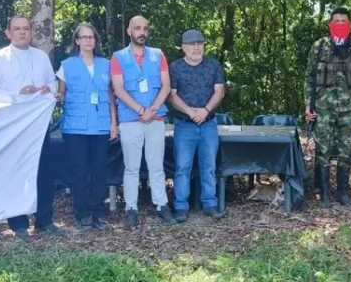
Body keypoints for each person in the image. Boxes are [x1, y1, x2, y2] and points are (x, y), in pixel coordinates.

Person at [0, 16, 62, 239]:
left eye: (26, 29)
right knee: (16, 174)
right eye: (16, 29)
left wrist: (47, 89)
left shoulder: (41, 57)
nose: (22, 33)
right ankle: (18, 223)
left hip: (38, 126)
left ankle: (45, 219)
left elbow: (52, 82)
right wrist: (18, 94)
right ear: (8, 33)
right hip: (14, 128)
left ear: (32, 32)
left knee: (44, 173)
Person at [111, 15, 176, 227]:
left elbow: (166, 86)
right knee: (131, 167)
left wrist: (152, 109)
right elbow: (118, 89)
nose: (142, 32)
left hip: (155, 118)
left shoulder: (158, 55)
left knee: (156, 165)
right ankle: (131, 208)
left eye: (145, 28)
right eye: (137, 28)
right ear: (129, 31)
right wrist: (141, 110)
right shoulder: (118, 57)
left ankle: (161, 205)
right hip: (130, 120)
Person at [304, 7, 351, 208]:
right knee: (322, 150)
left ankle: (342, 193)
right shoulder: (319, 47)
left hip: (348, 109)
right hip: (323, 108)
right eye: (336, 21)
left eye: (344, 21)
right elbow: (309, 77)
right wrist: (308, 103)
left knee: (346, 150)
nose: (340, 24)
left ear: (350, 24)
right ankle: (323, 194)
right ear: (330, 24)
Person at [56, 23, 118, 231]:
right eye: (83, 37)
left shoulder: (106, 64)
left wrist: (113, 123)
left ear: (95, 41)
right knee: (79, 172)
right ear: (77, 41)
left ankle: (98, 212)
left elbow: (111, 96)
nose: (88, 41)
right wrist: (55, 95)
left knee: (99, 171)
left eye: (91, 37)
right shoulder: (67, 65)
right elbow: (61, 94)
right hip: (75, 127)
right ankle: (82, 213)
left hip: (100, 126)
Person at [168, 29, 226, 222]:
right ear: (183, 47)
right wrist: (191, 112)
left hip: (208, 124)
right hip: (184, 124)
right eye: (192, 44)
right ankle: (181, 206)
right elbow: (171, 95)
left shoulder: (213, 65)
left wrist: (205, 111)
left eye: (199, 44)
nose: (196, 48)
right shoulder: (175, 67)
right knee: (182, 167)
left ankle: (210, 203)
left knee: (208, 166)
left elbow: (219, 91)